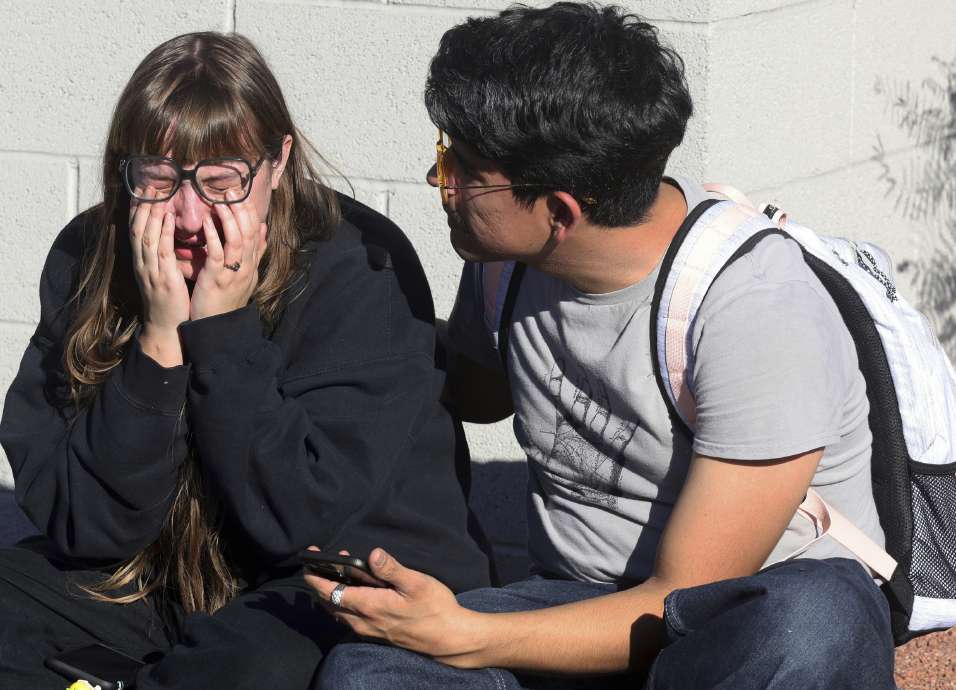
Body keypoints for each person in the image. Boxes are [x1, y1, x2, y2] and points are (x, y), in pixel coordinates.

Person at [0, 31, 489, 690]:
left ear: (279, 161)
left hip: (328, 587)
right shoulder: (90, 254)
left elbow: (298, 519)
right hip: (158, 584)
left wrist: (224, 329)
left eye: (221, 180)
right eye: (156, 177)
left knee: (251, 667)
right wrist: (159, 342)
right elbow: (86, 527)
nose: (186, 215)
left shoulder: (360, 266)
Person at [307, 4, 895, 688]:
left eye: (461, 167)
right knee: (370, 673)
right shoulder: (505, 261)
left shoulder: (755, 309)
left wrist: (465, 635)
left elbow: (679, 599)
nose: (441, 184)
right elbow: (473, 390)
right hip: (572, 604)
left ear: (559, 212)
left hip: (738, 621)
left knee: (814, 623)